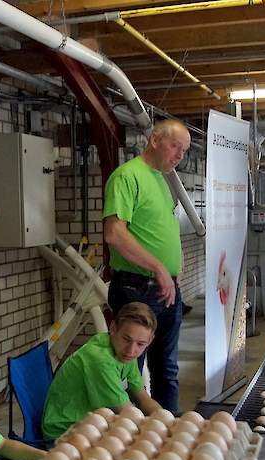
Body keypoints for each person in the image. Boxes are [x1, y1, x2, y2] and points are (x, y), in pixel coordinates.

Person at [104, 118, 191, 413]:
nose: (180, 155)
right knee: (129, 369)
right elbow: (114, 233)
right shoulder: (127, 176)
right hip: (137, 288)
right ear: (155, 140)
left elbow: (155, 230)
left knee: (166, 369)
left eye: (184, 150)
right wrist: (158, 267)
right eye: (175, 146)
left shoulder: (161, 180)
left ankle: (170, 433)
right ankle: (128, 439)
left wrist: (174, 265)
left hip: (166, 289)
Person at [41, 302, 164, 439]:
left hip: (93, 425)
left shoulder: (123, 353)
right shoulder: (100, 360)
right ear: (113, 328)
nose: (131, 350)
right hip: (65, 434)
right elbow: (128, 413)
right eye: (126, 339)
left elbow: (143, 399)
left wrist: (165, 419)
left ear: (150, 340)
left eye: (140, 344)